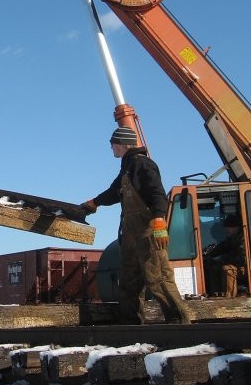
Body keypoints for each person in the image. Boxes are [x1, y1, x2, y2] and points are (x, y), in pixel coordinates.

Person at [81, 126, 191, 325]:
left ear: (122, 144)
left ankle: (180, 324)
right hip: (131, 235)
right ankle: (131, 326)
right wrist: (95, 203)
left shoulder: (143, 164)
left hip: (147, 232)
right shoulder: (128, 166)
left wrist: (159, 220)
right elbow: (114, 192)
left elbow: (157, 193)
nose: (111, 148)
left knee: (158, 279)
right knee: (129, 283)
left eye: (112, 144)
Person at [203, 214, 246, 298]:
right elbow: (222, 247)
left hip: (244, 267)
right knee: (214, 267)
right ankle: (216, 294)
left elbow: (242, 258)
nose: (226, 230)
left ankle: (229, 298)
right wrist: (208, 254)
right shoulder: (232, 238)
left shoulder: (243, 239)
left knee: (227, 269)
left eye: (228, 228)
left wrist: (222, 259)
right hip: (235, 264)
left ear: (235, 227)